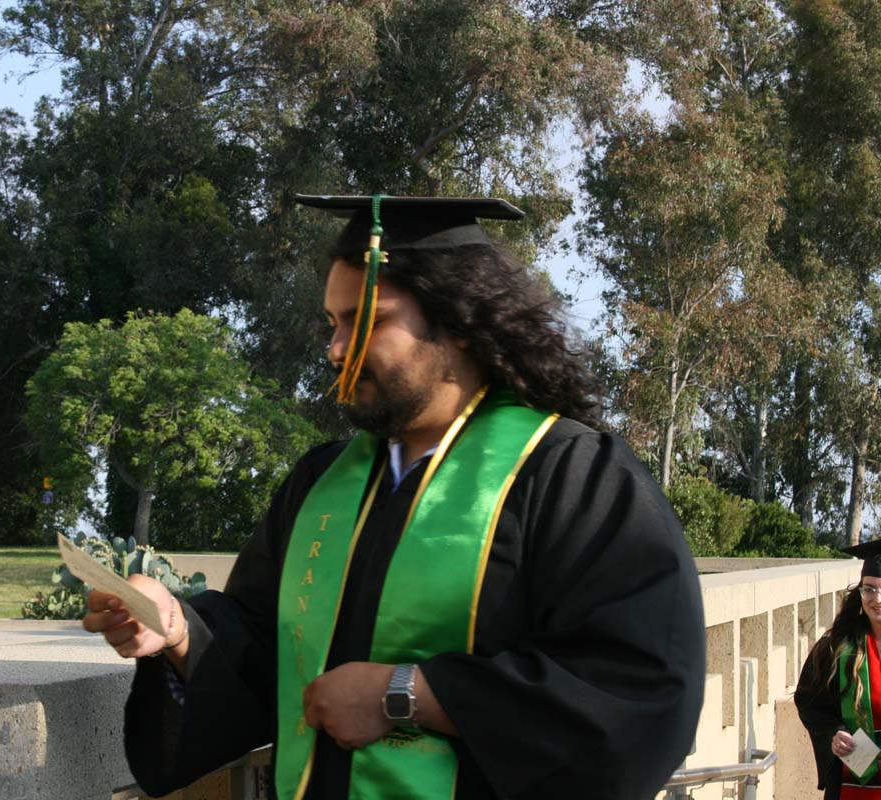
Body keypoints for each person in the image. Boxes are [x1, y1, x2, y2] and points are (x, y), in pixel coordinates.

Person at [83, 194, 706, 799]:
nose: (335, 351)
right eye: (332, 324)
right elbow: (264, 650)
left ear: (459, 324)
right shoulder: (323, 483)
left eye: (367, 322)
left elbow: (635, 687)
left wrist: (406, 695)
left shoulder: (570, 476)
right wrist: (178, 630)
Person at [796, 541, 881, 798]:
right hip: (854, 779)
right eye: (870, 589)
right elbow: (809, 701)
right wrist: (835, 732)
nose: (876, 599)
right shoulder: (838, 648)